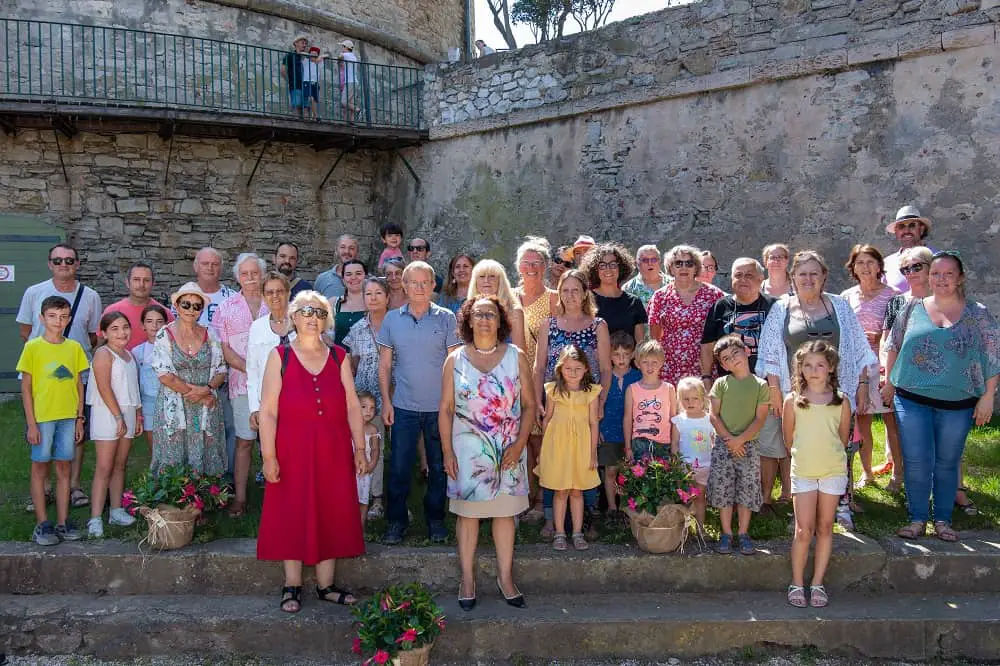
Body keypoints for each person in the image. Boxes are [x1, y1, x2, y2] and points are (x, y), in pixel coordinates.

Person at [257, 290, 368, 613]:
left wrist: (359, 448)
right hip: (291, 448)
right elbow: (268, 411)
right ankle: (291, 585)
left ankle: (326, 585)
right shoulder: (281, 356)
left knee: (331, 508)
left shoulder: (339, 357)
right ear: (293, 317)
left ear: (326, 320)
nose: (312, 318)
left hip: (332, 448)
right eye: (306, 311)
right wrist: (268, 456)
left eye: (319, 312)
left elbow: (351, 405)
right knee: (291, 509)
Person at [883, 251, 999, 543]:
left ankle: (944, 520)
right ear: (929, 277)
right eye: (936, 273)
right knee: (916, 460)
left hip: (958, 403)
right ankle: (917, 518)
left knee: (947, 461)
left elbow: (993, 355)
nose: (942, 279)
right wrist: (889, 381)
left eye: (949, 273)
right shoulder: (912, 308)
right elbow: (893, 345)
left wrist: (988, 397)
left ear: (960, 277)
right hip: (911, 398)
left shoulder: (978, 313)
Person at [756, 250, 877, 530]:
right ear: (792, 278)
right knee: (801, 447)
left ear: (824, 276)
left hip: (836, 390)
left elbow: (858, 348)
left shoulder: (839, 307)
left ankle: (842, 504)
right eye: (802, 274)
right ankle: (802, 508)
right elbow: (770, 353)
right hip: (797, 393)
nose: (808, 279)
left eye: (814, 273)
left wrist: (861, 385)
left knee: (840, 444)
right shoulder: (781, 309)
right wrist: (775, 389)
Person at [440, 296, 536, 610]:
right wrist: (446, 452)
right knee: (467, 516)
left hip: (508, 449)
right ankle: (467, 580)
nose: (484, 320)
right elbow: (445, 410)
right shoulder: (454, 359)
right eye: (478, 314)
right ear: (468, 320)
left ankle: (505, 578)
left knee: (505, 514)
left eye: (490, 314)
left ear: (500, 321)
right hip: (466, 451)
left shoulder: (516, 356)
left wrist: (521, 444)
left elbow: (530, 405)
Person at [378, 261, 462, 545]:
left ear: (433, 285)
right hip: (403, 406)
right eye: (413, 283)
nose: (419, 288)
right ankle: (396, 522)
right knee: (400, 466)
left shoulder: (447, 318)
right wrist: (386, 402)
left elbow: (454, 363)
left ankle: (436, 520)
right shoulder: (391, 319)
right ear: (404, 285)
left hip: (439, 408)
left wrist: (451, 403)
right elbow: (385, 365)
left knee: (438, 467)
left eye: (424, 282)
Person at [17, 243, 102, 510]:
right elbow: (25, 330)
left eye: (69, 260)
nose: (63, 265)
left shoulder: (90, 296)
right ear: (49, 264)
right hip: (42, 379)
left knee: (77, 433)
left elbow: (93, 335)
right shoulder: (34, 292)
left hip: (77, 374)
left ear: (77, 264)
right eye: (57, 261)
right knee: (42, 432)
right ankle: (43, 489)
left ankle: (74, 486)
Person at [701, 258, 786, 513]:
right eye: (738, 275)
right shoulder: (721, 306)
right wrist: (707, 379)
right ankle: (731, 498)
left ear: (761, 279)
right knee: (732, 439)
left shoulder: (775, 307)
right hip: (730, 387)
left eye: (750, 275)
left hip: (764, 384)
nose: (744, 280)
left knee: (766, 443)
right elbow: (707, 346)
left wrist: (776, 387)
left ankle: (765, 498)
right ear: (731, 279)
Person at [533, 269, 609, 539]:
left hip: (587, 401)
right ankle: (553, 522)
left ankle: (584, 521)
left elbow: (605, 368)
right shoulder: (549, 325)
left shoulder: (597, 325)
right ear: (559, 294)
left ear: (585, 293)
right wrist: (537, 402)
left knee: (583, 463)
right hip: (556, 403)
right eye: (565, 290)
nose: (570, 295)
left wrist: (600, 401)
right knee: (557, 461)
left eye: (576, 290)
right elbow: (539, 366)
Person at [782, 340, 851, 609]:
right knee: (803, 529)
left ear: (830, 368)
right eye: (807, 365)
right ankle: (797, 582)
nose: (813, 370)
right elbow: (789, 440)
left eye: (820, 365)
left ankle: (818, 582)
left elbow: (842, 438)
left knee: (824, 527)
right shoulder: (793, 401)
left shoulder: (841, 401)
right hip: (804, 472)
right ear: (800, 368)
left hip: (832, 471)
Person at [17, 295, 89, 545]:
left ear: (69, 319)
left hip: (68, 418)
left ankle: (62, 520)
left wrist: (79, 418)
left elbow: (79, 384)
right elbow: (26, 388)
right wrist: (32, 423)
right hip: (43, 418)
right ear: (42, 318)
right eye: (52, 316)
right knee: (40, 467)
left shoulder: (74, 348)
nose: (58, 321)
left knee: (64, 468)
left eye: (63, 317)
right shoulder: (33, 347)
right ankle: (42, 523)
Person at [213, 253, 270, 517]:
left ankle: (277, 494)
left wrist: (266, 374)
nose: (250, 278)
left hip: (276, 384)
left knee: (276, 440)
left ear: (262, 274)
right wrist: (253, 370)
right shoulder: (226, 308)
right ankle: (241, 497)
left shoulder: (275, 302)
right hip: (242, 383)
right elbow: (223, 348)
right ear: (237, 277)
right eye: (245, 274)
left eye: (254, 273)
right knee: (244, 441)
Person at [151, 283, 227, 476]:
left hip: (206, 407)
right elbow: (164, 374)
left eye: (196, 306)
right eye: (186, 304)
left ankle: (204, 499)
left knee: (206, 451)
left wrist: (207, 389)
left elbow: (221, 370)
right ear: (176, 306)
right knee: (173, 454)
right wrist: (199, 395)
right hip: (175, 405)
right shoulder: (164, 335)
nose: (191, 310)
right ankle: (173, 502)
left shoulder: (211, 334)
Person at [840, 245, 901, 488]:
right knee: (862, 421)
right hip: (858, 368)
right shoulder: (846, 296)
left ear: (879, 266)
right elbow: (843, 331)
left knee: (891, 423)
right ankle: (867, 473)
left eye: (870, 262)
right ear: (853, 268)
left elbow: (899, 332)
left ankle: (898, 474)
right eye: (860, 263)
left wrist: (879, 337)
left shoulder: (894, 296)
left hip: (886, 364)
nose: (865, 267)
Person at [708, 335, 770, 556]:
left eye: (735, 353)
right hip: (725, 445)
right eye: (726, 358)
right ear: (723, 365)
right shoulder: (721, 384)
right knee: (724, 490)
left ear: (746, 352)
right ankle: (726, 533)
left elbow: (760, 419)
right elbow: (713, 416)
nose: (733, 359)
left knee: (746, 490)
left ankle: (743, 533)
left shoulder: (761, 385)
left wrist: (741, 441)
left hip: (749, 446)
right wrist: (730, 441)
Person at [878, 246, 934, 493]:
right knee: (900, 430)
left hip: (938, 378)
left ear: (931, 267)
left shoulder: (943, 299)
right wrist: (888, 378)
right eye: (905, 269)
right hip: (904, 377)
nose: (910, 272)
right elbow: (887, 340)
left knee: (941, 434)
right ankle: (900, 475)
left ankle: (951, 486)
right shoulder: (896, 302)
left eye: (916, 266)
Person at [536, 345, 601, 552]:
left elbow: (593, 423)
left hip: (581, 447)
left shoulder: (591, 392)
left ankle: (577, 532)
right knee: (561, 490)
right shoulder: (553, 390)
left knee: (576, 491)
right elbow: (547, 419)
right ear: (560, 370)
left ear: (586, 369)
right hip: (558, 446)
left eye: (578, 368)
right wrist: (543, 452)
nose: (573, 373)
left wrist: (592, 454)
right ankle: (559, 533)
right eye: (568, 368)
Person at [513, 237, 559, 521]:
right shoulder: (510, 296)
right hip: (514, 378)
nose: (531, 267)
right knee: (523, 439)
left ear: (545, 266)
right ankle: (526, 496)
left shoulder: (554, 298)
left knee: (542, 440)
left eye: (536, 262)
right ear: (518, 266)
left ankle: (542, 500)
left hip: (545, 377)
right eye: (526, 262)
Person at [86, 311, 141, 538]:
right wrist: (118, 416)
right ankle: (95, 517)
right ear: (104, 333)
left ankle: (116, 510)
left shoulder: (129, 355)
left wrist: (136, 415)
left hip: (127, 412)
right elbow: (104, 387)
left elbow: (133, 388)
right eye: (115, 329)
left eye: (125, 327)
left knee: (120, 464)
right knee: (104, 466)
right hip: (108, 414)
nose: (122, 333)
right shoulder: (103, 354)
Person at [344, 276, 391, 518]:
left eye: (378, 293)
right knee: (369, 446)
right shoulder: (358, 328)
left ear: (387, 297)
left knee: (389, 448)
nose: (373, 298)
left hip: (393, 394)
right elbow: (353, 363)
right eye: (368, 294)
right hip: (367, 399)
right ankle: (368, 496)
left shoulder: (397, 325)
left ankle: (388, 498)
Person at [648, 245, 725, 386]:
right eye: (678, 263)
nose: (684, 268)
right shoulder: (660, 296)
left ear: (696, 268)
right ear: (670, 268)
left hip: (705, 366)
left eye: (689, 263)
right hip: (670, 367)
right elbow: (655, 337)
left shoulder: (714, 295)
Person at [247, 273, 296, 434]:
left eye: (279, 291)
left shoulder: (304, 323)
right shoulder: (257, 327)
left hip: (300, 402)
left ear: (288, 293)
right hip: (268, 404)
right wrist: (254, 407)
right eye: (269, 292)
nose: (275, 296)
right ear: (263, 296)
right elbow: (252, 371)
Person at [598, 331, 640, 518]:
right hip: (609, 431)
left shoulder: (638, 377)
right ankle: (612, 508)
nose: (621, 359)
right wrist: (597, 429)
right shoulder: (604, 377)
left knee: (629, 472)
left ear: (632, 355)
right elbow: (597, 406)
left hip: (633, 434)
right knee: (610, 471)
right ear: (609, 355)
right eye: (616, 354)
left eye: (625, 354)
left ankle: (627, 508)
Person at [580, 242, 647, 342]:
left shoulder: (634, 302)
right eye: (602, 265)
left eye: (613, 264)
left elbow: (640, 344)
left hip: (629, 358)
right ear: (595, 269)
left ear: (620, 267)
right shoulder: (587, 300)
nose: (608, 269)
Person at [671, 376, 714, 527]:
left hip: (705, 467)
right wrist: (676, 463)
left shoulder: (711, 420)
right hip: (685, 468)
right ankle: (684, 528)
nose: (690, 403)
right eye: (686, 399)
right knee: (686, 497)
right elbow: (675, 443)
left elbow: (714, 441)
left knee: (701, 497)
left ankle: (701, 527)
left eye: (695, 398)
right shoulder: (678, 421)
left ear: (703, 399)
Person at [100, 262, 173, 349]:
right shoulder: (112, 311)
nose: (141, 284)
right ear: (127, 282)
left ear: (153, 283)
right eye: (136, 279)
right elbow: (100, 345)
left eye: (146, 280)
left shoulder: (166, 314)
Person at [624, 339, 676, 460]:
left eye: (654, 362)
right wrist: (628, 447)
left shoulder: (669, 388)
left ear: (662, 363)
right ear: (637, 363)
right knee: (640, 478)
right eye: (645, 362)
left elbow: (674, 419)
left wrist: (674, 445)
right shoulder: (632, 389)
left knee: (663, 478)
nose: (650, 366)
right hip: (639, 444)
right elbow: (627, 419)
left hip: (664, 443)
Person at [466, 259, 526, 350]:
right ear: (475, 282)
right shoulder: (468, 310)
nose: (486, 280)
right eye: (481, 276)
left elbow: (520, 352)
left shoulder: (514, 312)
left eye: (492, 276)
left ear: (500, 281)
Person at [133, 304, 168, 447]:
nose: (154, 325)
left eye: (159, 321)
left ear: (166, 324)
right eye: (149, 321)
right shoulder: (137, 352)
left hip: (170, 401)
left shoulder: (173, 348)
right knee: (154, 446)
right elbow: (135, 383)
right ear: (143, 325)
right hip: (149, 404)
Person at [883, 205, 935, 293]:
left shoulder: (937, 257)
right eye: (901, 226)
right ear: (896, 232)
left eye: (912, 225)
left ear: (921, 229)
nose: (906, 230)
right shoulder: (886, 264)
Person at [356, 391, 382, 526]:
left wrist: (371, 465)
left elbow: (375, 450)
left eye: (372, 408)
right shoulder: (349, 427)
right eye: (364, 407)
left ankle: (361, 528)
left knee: (363, 499)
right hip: (351, 470)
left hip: (365, 471)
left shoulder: (373, 429)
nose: (368, 411)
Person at [314, 234, 359, 302]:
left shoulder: (366, 281)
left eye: (351, 248)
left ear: (357, 252)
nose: (347, 251)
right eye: (343, 247)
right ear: (336, 250)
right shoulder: (322, 279)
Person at [333, 260, 367, 347]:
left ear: (365, 277)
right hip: (340, 358)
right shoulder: (333, 303)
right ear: (343, 279)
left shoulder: (374, 302)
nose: (353, 277)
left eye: (358, 273)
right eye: (348, 274)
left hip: (366, 359)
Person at [281, 36, 308, 118]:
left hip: (306, 84)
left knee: (306, 107)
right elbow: (282, 70)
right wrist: (289, 80)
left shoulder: (305, 57)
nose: (304, 45)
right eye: (302, 43)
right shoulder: (289, 56)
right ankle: (297, 122)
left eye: (305, 44)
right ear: (296, 43)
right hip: (295, 84)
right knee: (296, 105)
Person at [338, 39, 360, 120]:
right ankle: (352, 120)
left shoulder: (346, 55)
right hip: (354, 82)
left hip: (350, 82)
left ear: (345, 47)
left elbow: (339, 57)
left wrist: (340, 57)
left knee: (344, 102)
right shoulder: (353, 56)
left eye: (342, 47)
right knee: (351, 101)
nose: (342, 49)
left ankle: (357, 109)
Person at [303, 46, 322, 120]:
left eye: (315, 54)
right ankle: (314, 115)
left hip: (315, 83)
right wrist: (309, 55)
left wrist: (318, 58)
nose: (313, 56)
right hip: (306, 82)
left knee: (314, 100)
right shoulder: (305, 60)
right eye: (311, 54)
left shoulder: (319, 62)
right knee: (309, 98)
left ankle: (313, 116)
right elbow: (301, 53)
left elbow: (325, 55)